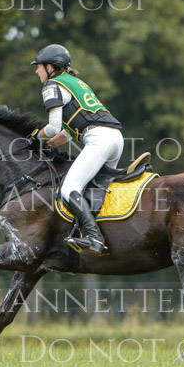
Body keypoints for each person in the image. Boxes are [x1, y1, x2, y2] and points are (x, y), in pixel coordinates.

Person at [31, 44, 124, 255]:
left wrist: (35, 136)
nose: (37, 71)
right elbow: (74, 124)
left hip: (99, 140)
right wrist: (55, 141)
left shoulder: (52, 85)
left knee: (68, 189)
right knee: (95, 190)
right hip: (115, 139)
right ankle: (106, 234)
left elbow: (53, 126)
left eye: (39, 67)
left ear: (50, 67)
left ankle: (95, 238)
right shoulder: (76, 82)